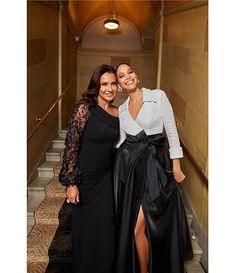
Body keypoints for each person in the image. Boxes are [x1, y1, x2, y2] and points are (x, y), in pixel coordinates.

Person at [114, 63, 193, 273]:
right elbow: (121, 142)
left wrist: (176, 165)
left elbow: (172, 131)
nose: (127, 77)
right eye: (121, 76)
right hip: (133, 173)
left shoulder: (157, 96)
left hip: (157, 169)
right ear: (119, 85)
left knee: (153, 225)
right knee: (137, 227)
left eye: (129, 72)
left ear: (136, 76)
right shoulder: (121, 110)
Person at [59, 64, 119, 273]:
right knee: (85, 234)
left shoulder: (118, 112)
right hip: (84, 181)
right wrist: (71, 183)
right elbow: (71, 147)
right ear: (96, 85)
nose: (109, 88)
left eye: (113, 83)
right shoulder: (84, 108)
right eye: (104, 84)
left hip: (105, 180)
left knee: (106, 230)